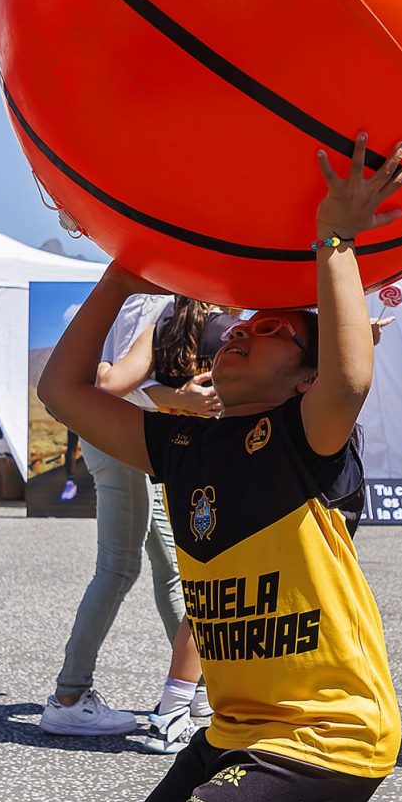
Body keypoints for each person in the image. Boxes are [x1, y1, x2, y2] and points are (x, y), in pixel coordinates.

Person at [45, 134, 402, 802]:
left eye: (274, 334)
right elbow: (65, 395)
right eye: (241, 327)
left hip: (330, 728)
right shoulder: (188, 445)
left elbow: (352, 377)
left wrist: (335, 238)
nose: (243, 334)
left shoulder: (305, 440)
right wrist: (124, 263)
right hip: (246, 725)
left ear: (304, 372)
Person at [38, 288, 190, 736]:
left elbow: (106, 372)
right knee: (119, 569)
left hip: (116, 435)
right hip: (123, 435)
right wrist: (181, 400)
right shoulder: (159, 305)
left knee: (168, 566)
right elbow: (115, 382)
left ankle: (198, 685)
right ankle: (69, 695)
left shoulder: (127, 298)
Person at [117, 295, 237, 752]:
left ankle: (197, 703)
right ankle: (172, 711)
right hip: (221, 464)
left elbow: (135, 385)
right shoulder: (223, 328)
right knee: (207, 594)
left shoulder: (167, 323)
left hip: (184, 465)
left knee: (202, 590)